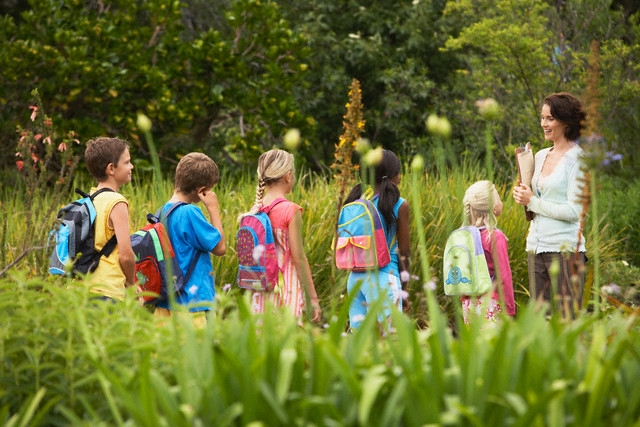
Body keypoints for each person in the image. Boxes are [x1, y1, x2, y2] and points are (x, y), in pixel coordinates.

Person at [513, 92, 587, 318]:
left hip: (566, 251)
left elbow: (575, 211)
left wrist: (533, 201)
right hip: (535, 246)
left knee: (568, 322)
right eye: (542, 118)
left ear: (566, 122)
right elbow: (537, 198)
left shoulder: (579, 159)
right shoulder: (541, 155)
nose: (543, 124)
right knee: (539, 324)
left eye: (550, 119)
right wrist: (523, 194)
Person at [241, 149, 322, 323]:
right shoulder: (290, 210)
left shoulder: (255, 211)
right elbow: (299, 258)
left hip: (260, 290)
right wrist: (313, 299)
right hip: (286, 289)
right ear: (288, 176)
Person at [154, 153, 226, 327]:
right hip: (192, 305)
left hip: (166, 302)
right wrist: (213, 208)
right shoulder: (190, 212)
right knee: (198, 353)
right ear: (202, 190)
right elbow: (220, 248)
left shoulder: (161, 212)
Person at [344, 149, 411, 331]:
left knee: (359, 341)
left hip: (355, 278)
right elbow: (404, 252)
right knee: (388, 344)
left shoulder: (356, 201)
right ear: (393, 176)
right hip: (384, 278)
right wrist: (403, 291)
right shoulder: (399, 204)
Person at [83, 137, 136, 301]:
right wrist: (133, 285)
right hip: (107, 289)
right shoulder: (116, 202)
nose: (131, 166)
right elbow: (126, 255)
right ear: (111, 168)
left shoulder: (90, 199)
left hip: (82, 287)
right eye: (127, 162)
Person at [460, 180, 516, 324]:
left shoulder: (464, 235)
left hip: (469, 303)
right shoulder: (495, 237)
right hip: (491, 304)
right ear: (493, 208)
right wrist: (509, 309)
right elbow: (504, 276)